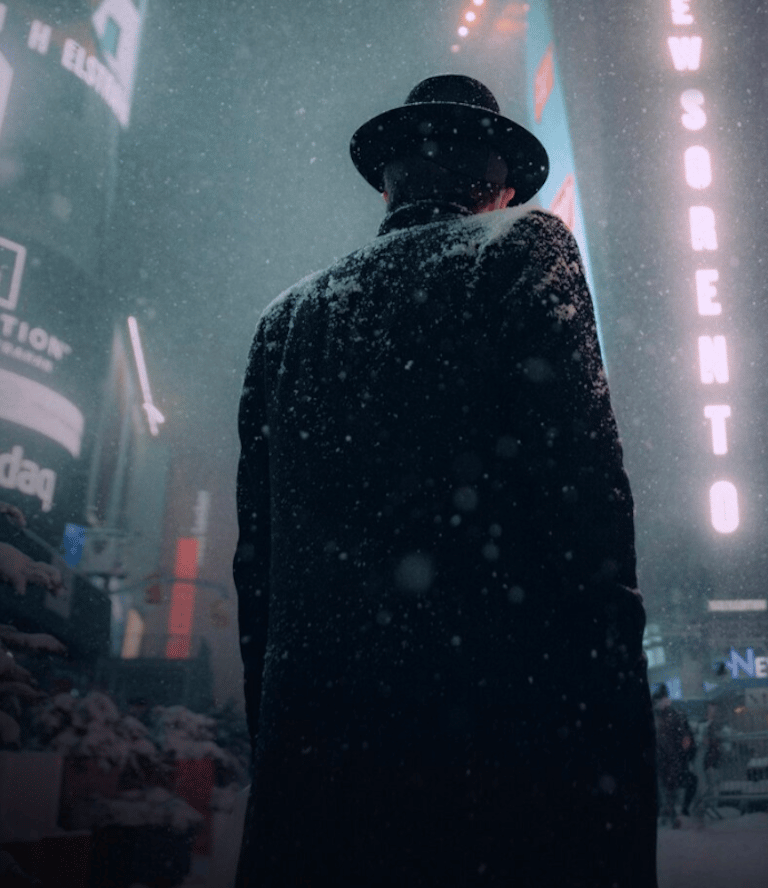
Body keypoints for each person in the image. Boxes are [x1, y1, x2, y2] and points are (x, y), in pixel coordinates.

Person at [233, 75, 657, 887]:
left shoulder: (284, 321)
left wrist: (285, 745)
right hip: (492, 757)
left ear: (389, 180)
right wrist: (612, 782)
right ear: (496, 183)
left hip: (318, 771)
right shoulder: (522, 249)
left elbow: (258, 572)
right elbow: (591, 523)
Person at [653, 685, 697, 828]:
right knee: (668, 787)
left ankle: (670, 815)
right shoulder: (671, 716)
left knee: (667, 788)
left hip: (668, 760)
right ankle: (671, 815)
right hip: (668, 760)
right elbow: (685, 738)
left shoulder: (669, 717)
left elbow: (685, 738)